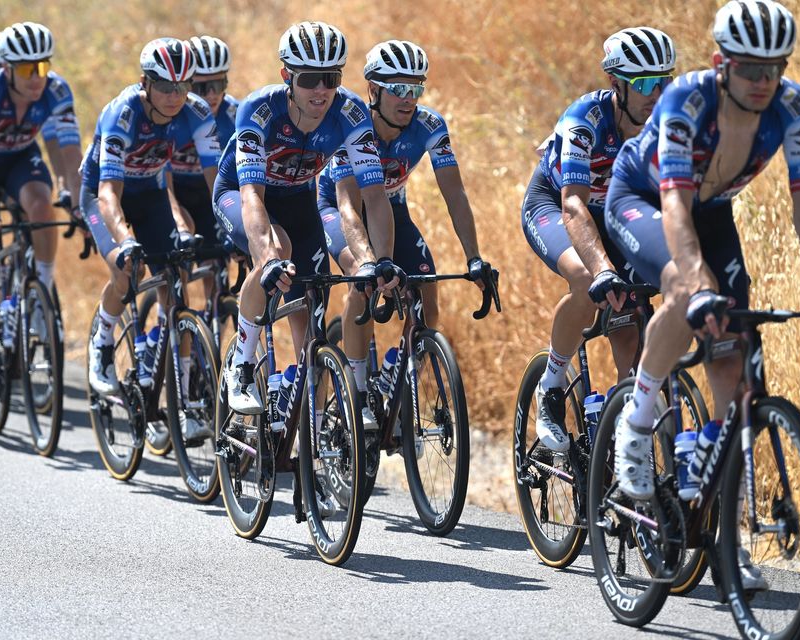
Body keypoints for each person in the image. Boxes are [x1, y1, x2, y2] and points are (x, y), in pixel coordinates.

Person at [605, 0, 800, 522]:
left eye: (774, 69)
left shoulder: (794, 106)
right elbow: (673, 204)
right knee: (686, 288)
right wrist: (698, 282)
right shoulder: (688, 100)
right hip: (642, 198)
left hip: (710, 212)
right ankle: (637, 421)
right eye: (749, 69)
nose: (763, 82)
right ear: (721, 63)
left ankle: (708, 473)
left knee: (731, 352)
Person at [213, 21, 402, 415]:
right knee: (278, 250)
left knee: (310, 319)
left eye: (330, 78)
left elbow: (375, 194)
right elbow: (251, 195)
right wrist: (267, 257)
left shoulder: (350, 113)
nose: (321, 90)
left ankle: (300, 420)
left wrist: (380, 260)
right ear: (287, 76)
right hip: (241, 194)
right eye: (310, 78)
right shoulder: (259, 109)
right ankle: (243, 364)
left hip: (299, 199)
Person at [317, 39, 491, 427]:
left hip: (391, 206)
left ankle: (398, 368)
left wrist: (474, 257)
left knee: (427, 288)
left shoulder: (430, 126)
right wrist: (371, 263)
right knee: (361, 283)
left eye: (416, 89)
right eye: (399, 89)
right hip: (339, 206)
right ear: (374, 91)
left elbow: (455, 195)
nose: (408, 98)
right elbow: (349, 207)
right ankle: (358, 391)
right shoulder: (351, 125)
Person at [521, 27, 676, 452]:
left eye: (664, 82)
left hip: (612, 212)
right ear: (616, 84)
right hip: (555, 204)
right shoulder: (583, 121)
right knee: (586, 280)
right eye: (644, 83)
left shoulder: (667, 123)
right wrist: (603, 269)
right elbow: (572, 205)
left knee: (630, 317)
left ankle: (629, 429)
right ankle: (551, 385)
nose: (655, 93)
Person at [81, 37, 221, 440]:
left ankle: (178, 398)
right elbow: (108, 192)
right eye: (165, 87)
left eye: (184, 86)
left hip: (154, 193)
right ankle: (103, 341)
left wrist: (230, 229)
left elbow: (217, 182)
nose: (175, 96)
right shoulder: (122, 114)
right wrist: (124, 238)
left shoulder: (195, 111)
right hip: (103, 196)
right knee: (125, 270)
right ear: (145, 82)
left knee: (176, 284)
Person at [0, 21, 83, 406]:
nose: (36, 78)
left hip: (20, 158)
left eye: (42, 67)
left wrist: (75, 199)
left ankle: (41, 288)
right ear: (7, 69)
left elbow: (68, 151)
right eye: (27, 70)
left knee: (43, 206)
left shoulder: (56, 89)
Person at [169, 35, 239, 312]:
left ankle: (209, 335)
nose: (211, 94)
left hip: (212, 191)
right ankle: (171, 319)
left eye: (219, 84)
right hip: (175, 191)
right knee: (178, 267)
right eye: (202, 86)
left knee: (216, 267)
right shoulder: (172, 111)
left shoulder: (234, 114)